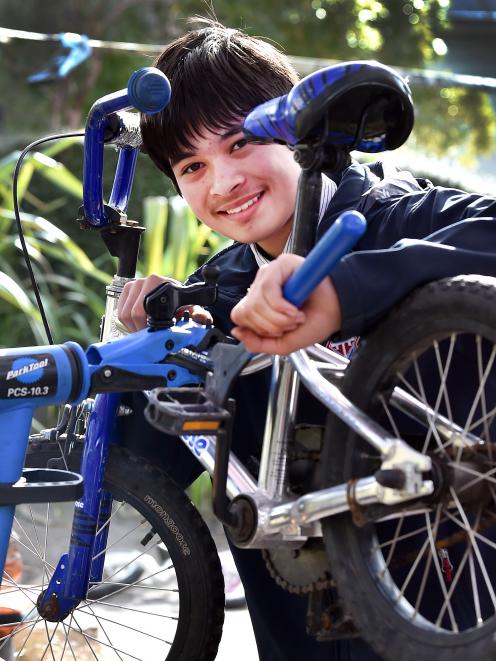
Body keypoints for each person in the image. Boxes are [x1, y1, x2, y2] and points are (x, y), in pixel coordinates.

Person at [117, 18, 496, 661]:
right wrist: (149, 355)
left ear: (299, 126)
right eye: (191, 165)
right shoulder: (219, 293)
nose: (223, 182)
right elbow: (147, 470)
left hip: (451, 620)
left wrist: (344, 290)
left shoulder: (401, 221)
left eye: (240, 142)